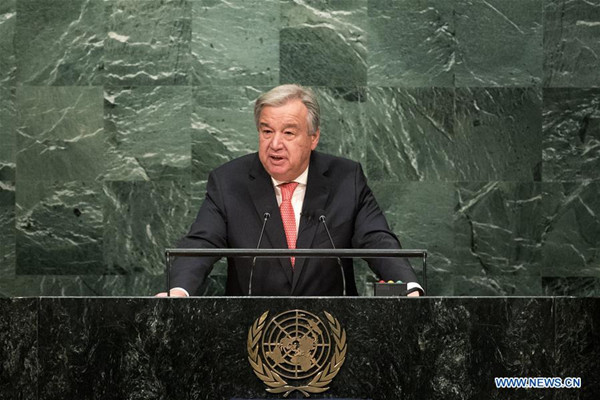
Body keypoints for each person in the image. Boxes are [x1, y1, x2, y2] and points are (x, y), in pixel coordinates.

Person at [157, 84, 423, 297]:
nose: (275, 144)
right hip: (251, 335)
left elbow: (377, 240)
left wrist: (409, 287)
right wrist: (179, 290)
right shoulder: (229, 182)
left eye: (288, 133)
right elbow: (201, 244)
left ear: (313, 137)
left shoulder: (346, 179)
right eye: (267, 131)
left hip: (333, 333)